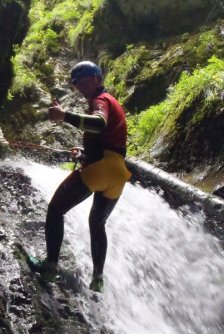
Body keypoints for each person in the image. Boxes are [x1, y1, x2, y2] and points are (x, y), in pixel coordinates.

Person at [27, 61, 132, 292]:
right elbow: (108, 137)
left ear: (97, 78)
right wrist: (86, 152)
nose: (80, 87)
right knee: (97, 223)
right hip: (118, 172)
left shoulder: (101, 100)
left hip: (101, 168)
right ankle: (98, 278)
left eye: (84, 81)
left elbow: (99, 123)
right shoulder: (113, 102)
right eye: (76, 84)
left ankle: (51, 266)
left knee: (55, 209)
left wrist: (64, 116)